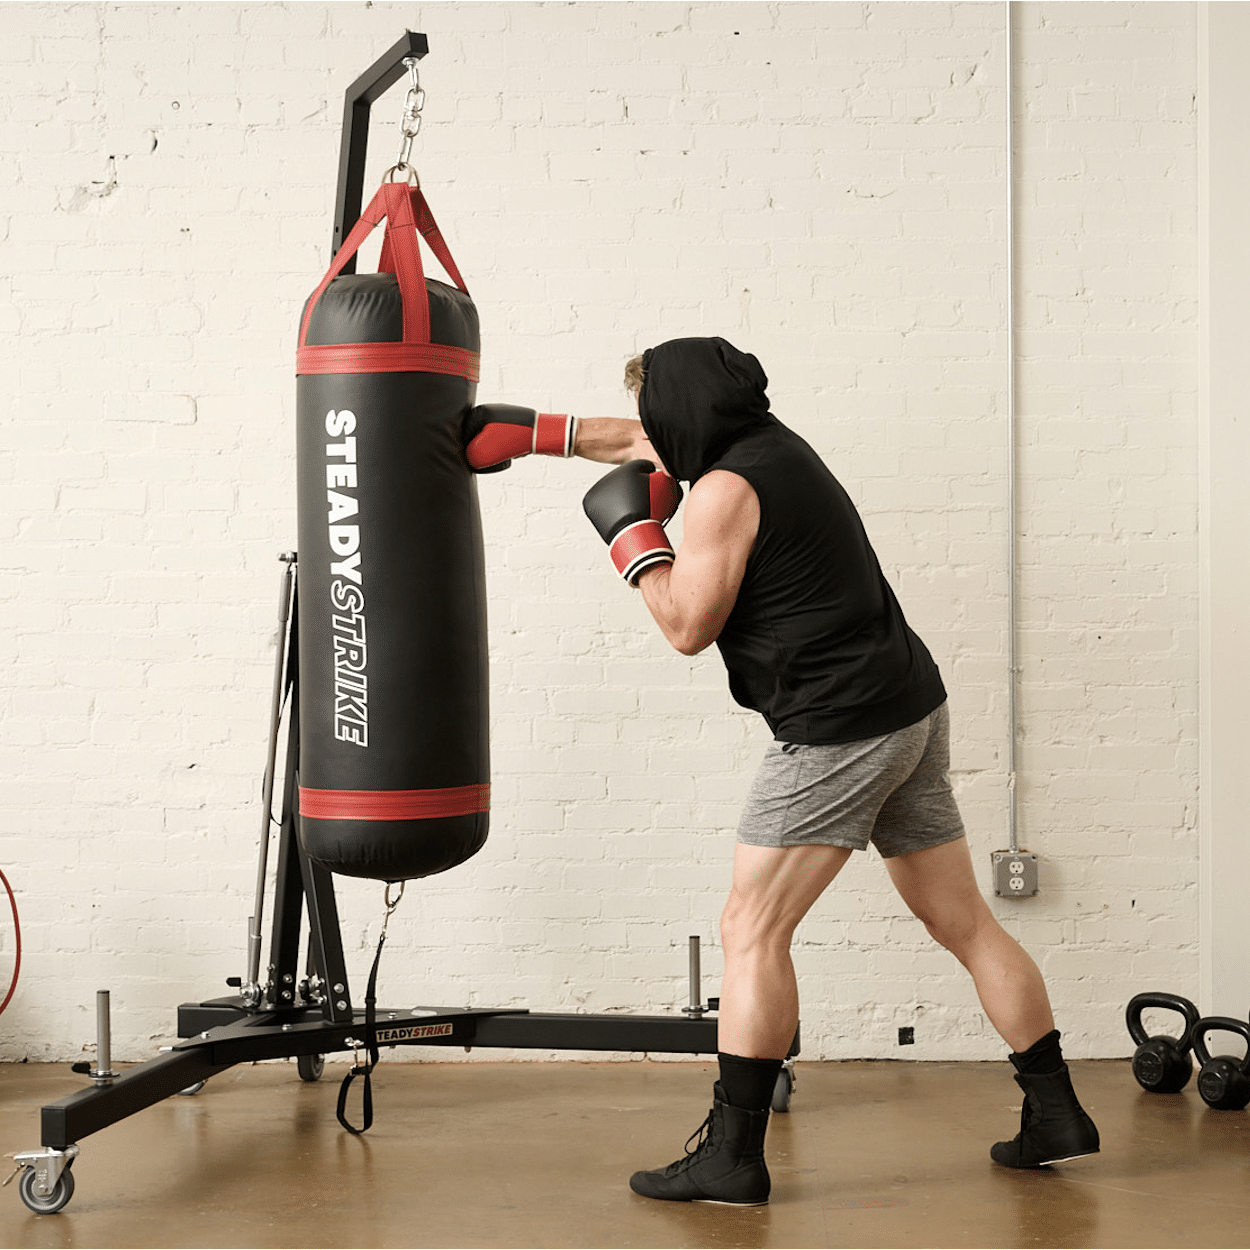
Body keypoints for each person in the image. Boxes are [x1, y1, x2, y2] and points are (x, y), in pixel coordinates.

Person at [461, 336, 1099, 1206]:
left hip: (838, 731)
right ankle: (1056, 1112)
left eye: (656, 414)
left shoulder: (722, 494)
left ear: (684, 413)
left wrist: (636, 543)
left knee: (751, 929)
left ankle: (732, 1154)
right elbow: (637, 438)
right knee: (964, 922)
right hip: (908, 705)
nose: (650, 430)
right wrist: (543, 434)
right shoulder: (771, 444)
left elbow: (686, 626)